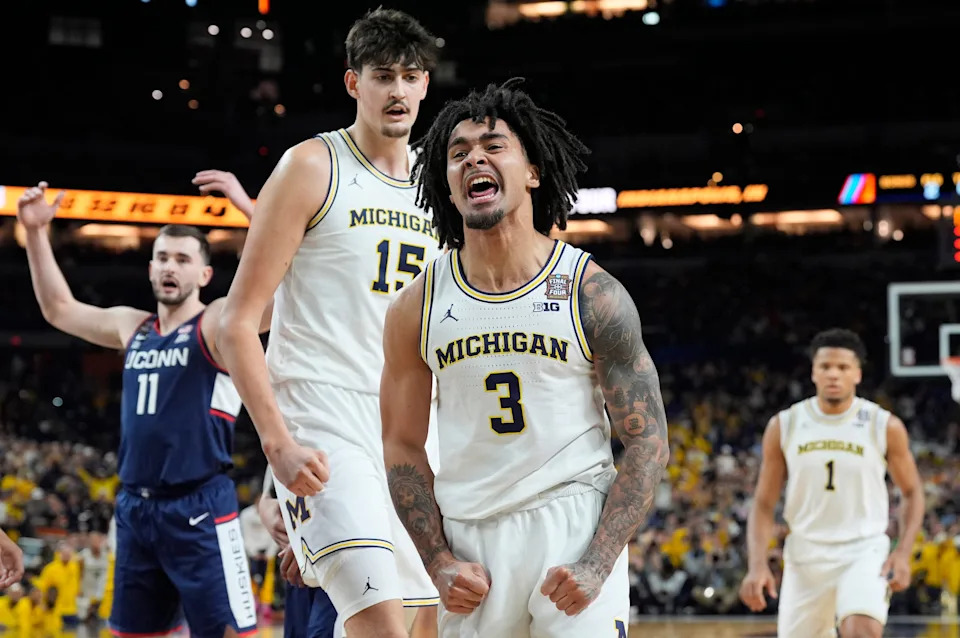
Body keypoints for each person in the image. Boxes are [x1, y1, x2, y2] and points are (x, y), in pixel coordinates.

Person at [379, 78, 671, 637]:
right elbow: (401, 446)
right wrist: (437, 559)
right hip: (471, 544)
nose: (473, 160)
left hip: (572, 526)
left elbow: (648, 439)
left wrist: (599, 559)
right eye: (457, 153)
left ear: (533, 171)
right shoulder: (416, 305)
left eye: (493, 146)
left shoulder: (592, 291)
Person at [216, 9, 443, 638]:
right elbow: (238, 322)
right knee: (380, 628)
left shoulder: (438, 187)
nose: (397, 90)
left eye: (410, 76)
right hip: (325, 426)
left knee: (423, 628)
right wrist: (276, 447)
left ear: (426, 84)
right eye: (382, 75)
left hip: (413, 434)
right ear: (353, 84)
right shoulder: (311, 166)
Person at [17, 182, 264, 637]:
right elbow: (58, 309)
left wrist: (255, 215)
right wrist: (34, 233)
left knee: (232, 634)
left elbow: (279, 297)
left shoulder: (219, 323)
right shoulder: (132, 327)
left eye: (184, 259)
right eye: (164, 257)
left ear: (205, 276)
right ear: (151, 268)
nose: (171, 267)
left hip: (201, 506)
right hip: (136, 508)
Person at [739, 328, 925, 638]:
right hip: (805, 554)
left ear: (857, 374)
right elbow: (763, 503)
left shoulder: (883, 425)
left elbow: (912, 492)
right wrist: (757, 564)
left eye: (843, 367)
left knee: (861, 628)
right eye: (826, 367)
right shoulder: (785, 425)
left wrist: (903, 553)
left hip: (864, 549)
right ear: (814, 372)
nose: (834, 374)